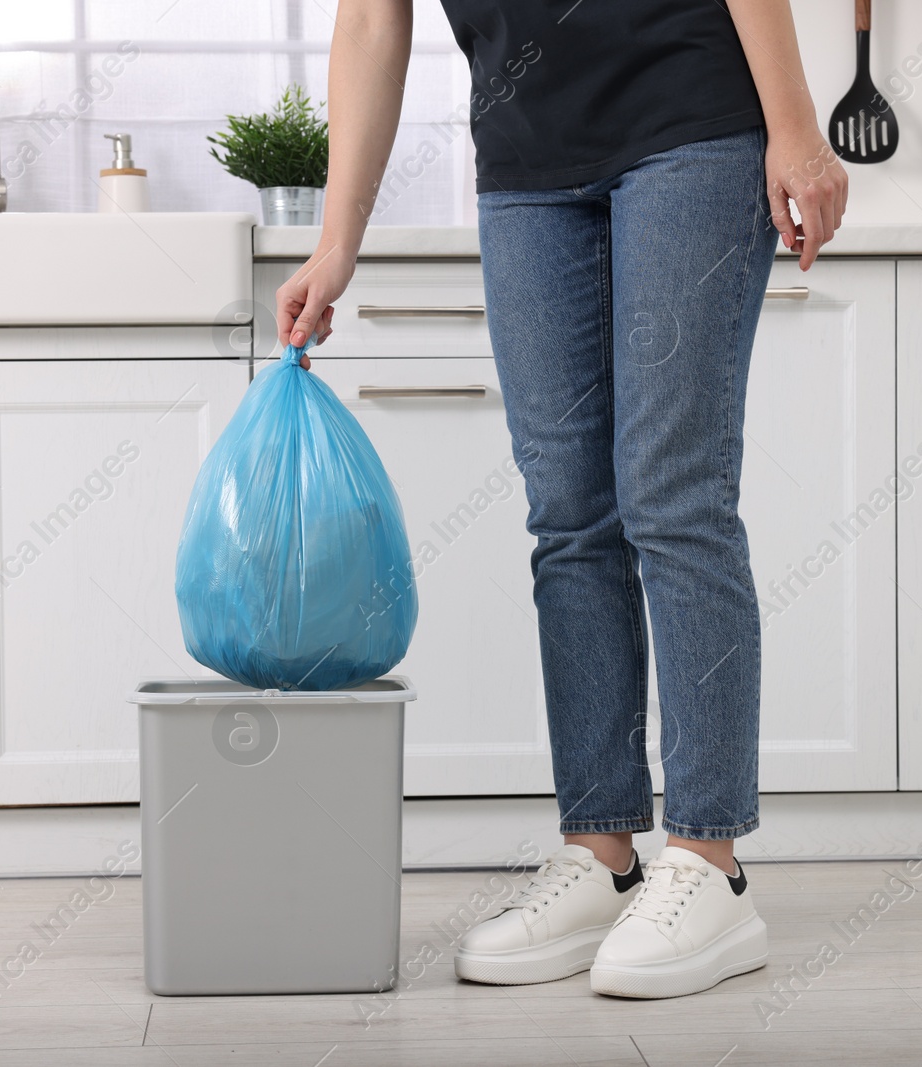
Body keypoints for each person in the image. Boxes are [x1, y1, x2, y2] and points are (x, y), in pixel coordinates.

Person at [275, 0, 847, 999]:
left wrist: (796, 132)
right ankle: (602, 850)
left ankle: (710, 862)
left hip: (692, 126)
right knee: (569, 518)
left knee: (673, 497)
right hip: (529, 160)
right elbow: (372, 19)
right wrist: (336, 240)